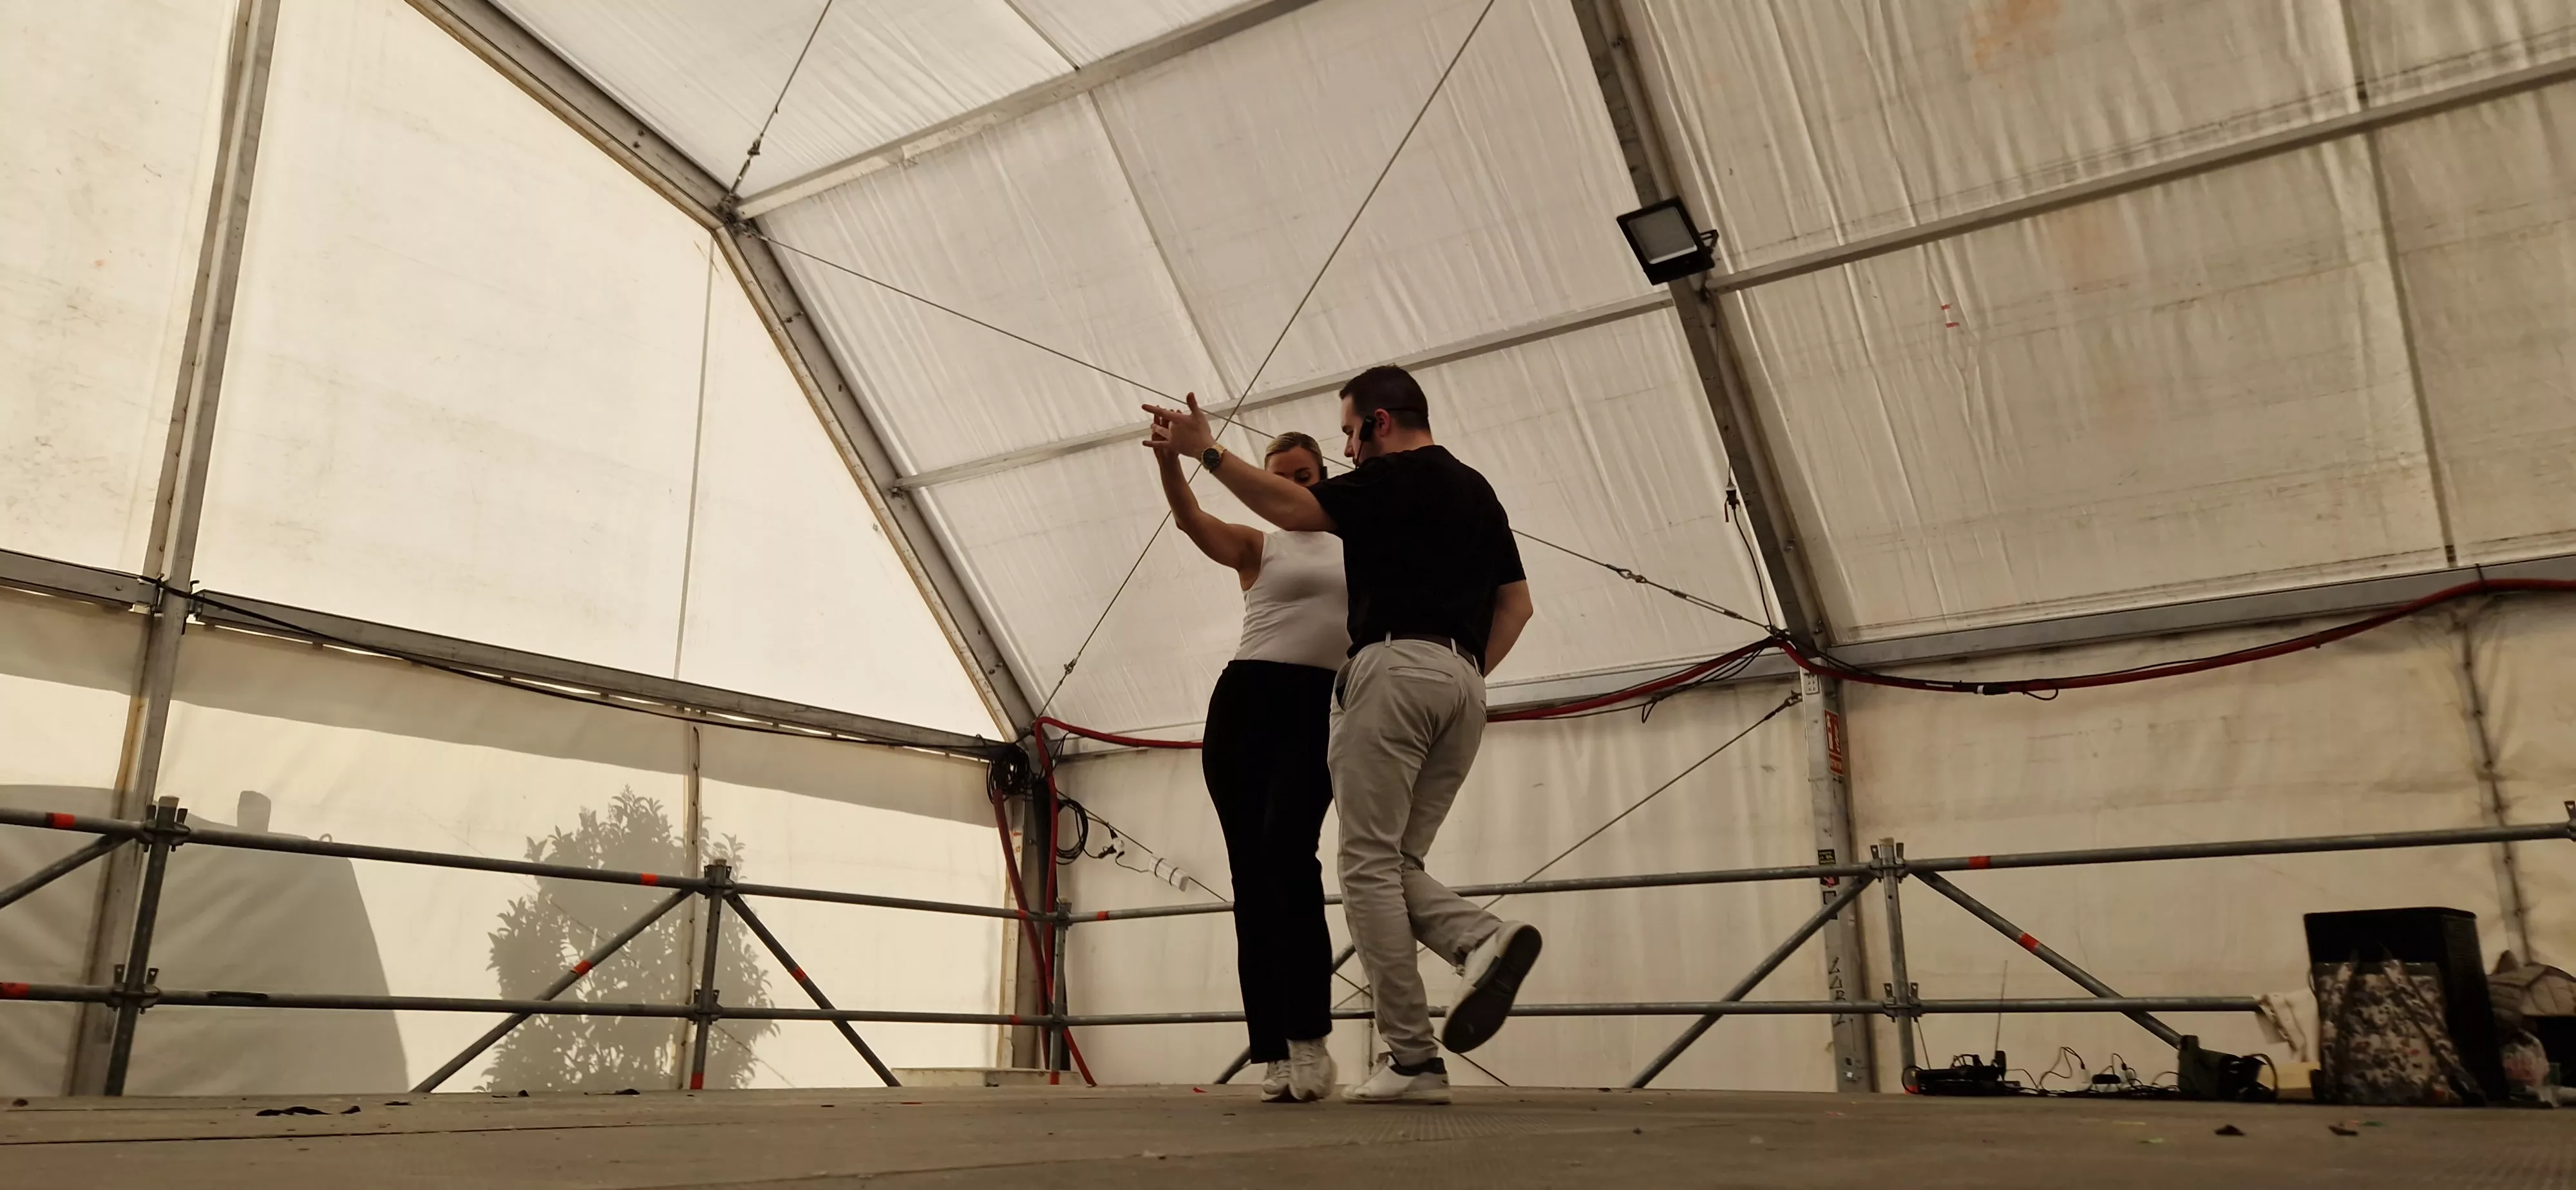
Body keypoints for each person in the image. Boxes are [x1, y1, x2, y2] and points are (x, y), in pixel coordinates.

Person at [1142, 366, 1538, 1106]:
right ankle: (1313, 1039)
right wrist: (1459, 669)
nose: (1350, 450)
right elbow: (1516, 605)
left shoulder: (1379, 489)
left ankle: (1403, 1042)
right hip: (1438, 683)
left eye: (1351, 435)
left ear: (1379, 424)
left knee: (1345, 865)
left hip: (1379, 676)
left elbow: (1296, 509)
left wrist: (1207, 451)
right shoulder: (1474, 491)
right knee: (1351, 865)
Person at [1149, 430, 1346, 1104]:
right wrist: (1169, 462)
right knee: (1252, 878)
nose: (1291, 486)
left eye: (1303, 475)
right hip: (1246, 705)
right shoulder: (1261, 545)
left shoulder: (1362, 542)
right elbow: (1190, 520)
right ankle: (1275, 1051)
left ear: (1324, 479)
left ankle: (1309, 1036)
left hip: (1318, 707)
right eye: (1279, 476)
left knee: (1289, 854)